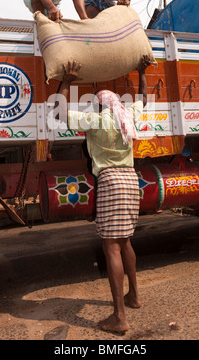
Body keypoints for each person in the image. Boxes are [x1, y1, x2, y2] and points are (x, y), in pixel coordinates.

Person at [55, 55, 151, 333]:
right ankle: (133, 296)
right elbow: (143, 99)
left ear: (99, 104)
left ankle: (119, 317)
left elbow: (60, 112)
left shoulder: (95, 120)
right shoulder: (127, 115)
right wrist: (142, 72)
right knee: (126, 242)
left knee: (111, 247)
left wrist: (67, 81)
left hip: (110, 181)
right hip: (131, 181)